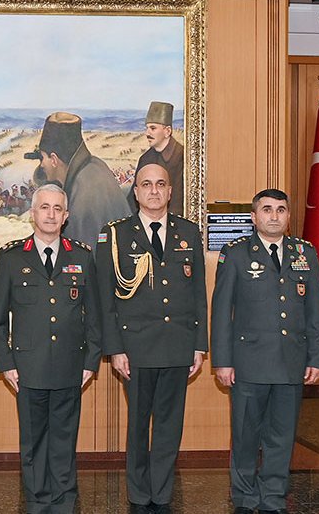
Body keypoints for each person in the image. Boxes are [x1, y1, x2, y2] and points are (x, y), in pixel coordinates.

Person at [94, 164, 207, 514]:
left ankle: (162, 490)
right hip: (136, 347)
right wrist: (115, 349)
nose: (154, 191)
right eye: (146, 185)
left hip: (177, 344)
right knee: (139, 424)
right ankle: (139, 492)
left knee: (170, 425)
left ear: (170, 191)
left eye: (161, 184)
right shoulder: (114, 235)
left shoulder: (188, 232)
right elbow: (105, 299)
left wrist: (200, 344)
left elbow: (198, 293)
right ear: (136, 192)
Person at [211, 189, 319, 514]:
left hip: (291, 363)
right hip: (248, 364)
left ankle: (274, 497)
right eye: (266, 210)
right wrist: (222, 361)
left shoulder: (305, 253)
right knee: (246, 436)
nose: (273, 216)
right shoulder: (235, 254)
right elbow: (221, 312)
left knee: (281, 437)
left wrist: (317, 357)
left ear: (289, 217)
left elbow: (316, 310)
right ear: (254, 216)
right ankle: (246, 498)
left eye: (280, 210)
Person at [0, 184, 101, 514]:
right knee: (34, 441)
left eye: (57, 209)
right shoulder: (11, 258)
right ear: (32, 214)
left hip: (71, 365)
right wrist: (6, 364)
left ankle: (65, 500)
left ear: (66, 216)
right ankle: (37, 500)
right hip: (27, 368)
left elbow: (94, 316)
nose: (51, 214)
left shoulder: (81, 256)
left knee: (65, 440)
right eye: (44, 208)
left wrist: (91, 362)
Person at [28, 111, 129, 248]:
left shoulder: (84, 196)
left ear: (54, 160)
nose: (41, 165)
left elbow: (82, 257)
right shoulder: (94, 166)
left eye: (42, 158)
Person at [126, 101, 185, 215]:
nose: (147, 133)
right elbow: (133, 199)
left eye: (153, 128)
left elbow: (178, 203)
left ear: (167, 131)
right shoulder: (145, 158)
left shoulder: (182, 157)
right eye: (147, 128)